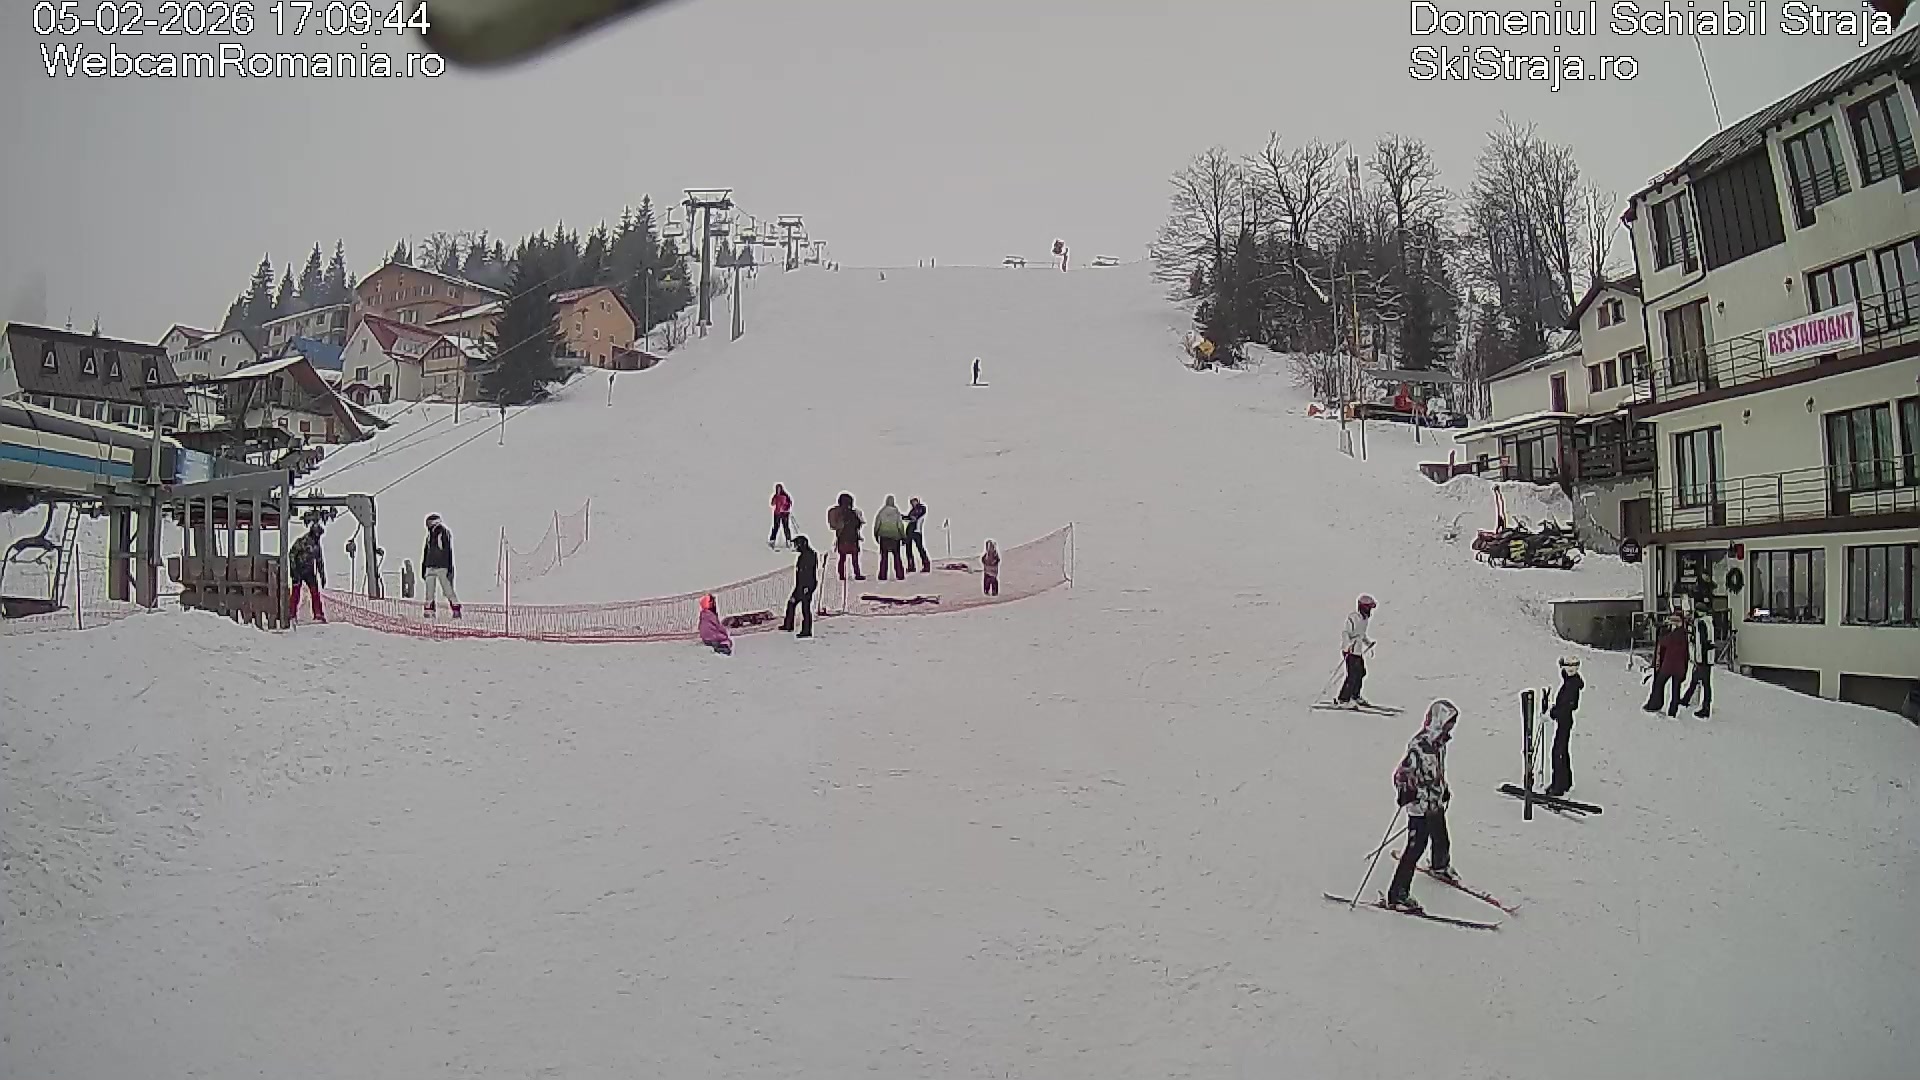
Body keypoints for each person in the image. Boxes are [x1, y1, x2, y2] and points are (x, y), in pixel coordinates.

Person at [1387, 699, 1461, 914]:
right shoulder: (1419, 746)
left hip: (1433, 801)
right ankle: (1397, 894)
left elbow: (1436, 771)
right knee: (1416, 846)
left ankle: (1440, 866)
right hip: (1419, 804)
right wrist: (1405, 791)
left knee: (1441, 836)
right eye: (1448, 723)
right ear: (1438, 721)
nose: (1450, 728)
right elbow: (1401, 774)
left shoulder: (1439, 744)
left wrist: (1443, 788)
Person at [1547, 656, 1583, 797]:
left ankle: (1558, 786)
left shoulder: (1572, 686)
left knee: (1558, 753)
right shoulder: (1571, 681)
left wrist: (1553, 713)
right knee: (1562, 751)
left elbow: (1568, 706)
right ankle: (1566, 782)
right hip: (1564, 720)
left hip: (1565, 720)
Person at [1334, 594, 1377, 708]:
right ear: (1363, 607)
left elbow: (1361, 635)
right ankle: (1343, 699)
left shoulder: (1365, 620)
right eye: (1369, 608)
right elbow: (1345, 633)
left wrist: (1368, 643)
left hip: (1357, 651)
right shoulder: (1353, 618)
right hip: (1349, 651)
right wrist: (1347, 646)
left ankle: (1355, 696)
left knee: (1361, 672)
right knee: (1352, 675)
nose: (1370, 611)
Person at [1644, 611, 1689, 717]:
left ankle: (1655, 704)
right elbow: (1686, 654)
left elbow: (1663, 641)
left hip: (1669, 665)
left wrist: (1664, 630)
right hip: (1679, 667)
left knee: (1659, 683)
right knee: (1676, 690)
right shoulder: (1684, 634)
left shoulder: (1674, 634)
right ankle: (1673, 712)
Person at [1679, 601, 1715, 719]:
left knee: (1705, 683)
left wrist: (1699, 657)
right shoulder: (1708, 622)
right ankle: (1686, 699)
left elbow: (1702, 642)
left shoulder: (1701, 623)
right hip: (1706, 657)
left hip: (1702, 658)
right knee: (1696, 680)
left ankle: (1706, 708)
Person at [422, 513, 460, 619]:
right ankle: (429, 610)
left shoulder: (443, 532)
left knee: (447, 589)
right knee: (429, 590)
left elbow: (447, 551)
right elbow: (426, 551)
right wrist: (424, 566)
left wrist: (449, 567)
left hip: (441, 566)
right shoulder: (430, 534)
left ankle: (456, 609)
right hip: (430, 565)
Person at [287, 521, 327, 624]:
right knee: (296, 593)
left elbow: (319, 561)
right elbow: (292, 554)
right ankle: (291, 614)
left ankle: (318, 614)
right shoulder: (302, 541)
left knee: (315, 592)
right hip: (298, 570)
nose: (318, 537)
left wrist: (322, 575)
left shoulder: (317, 546)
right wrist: (293, 570)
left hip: (309, 571)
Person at [781, 535, 818, 637]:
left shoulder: (810, 556)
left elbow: (809, 573)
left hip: (807, 586)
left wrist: (807, 587)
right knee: (791, 603)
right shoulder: (802, 555)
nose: (796, 547)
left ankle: (807, 631)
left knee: (805, 608)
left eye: (797, 544)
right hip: (800, 586)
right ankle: (788, 625)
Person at [828, 493, 864, 580]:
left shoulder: (838, 513)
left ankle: (841, 575)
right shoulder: (853, 513)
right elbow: (857, 525)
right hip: (853, 538)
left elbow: (835, 526)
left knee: (842, 557)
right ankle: (857, 574)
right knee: (854, 558)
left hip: (842, 538)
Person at [874, 495, 908, 580]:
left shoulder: (881, 512)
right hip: (895, 537)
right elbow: (900, 526)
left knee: (884, 557)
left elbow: (877, 524)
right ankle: (900, 575)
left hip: (884, 537)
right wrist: (903, 536)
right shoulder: (896, 512)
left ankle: (882, 575)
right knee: (897, 556)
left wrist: (876, 534)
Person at [904, 497, 931, 573]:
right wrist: (903, 517)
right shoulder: (912, 511)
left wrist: (911, 517)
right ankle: (911, 565)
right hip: (910, 530)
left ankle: (926, 564)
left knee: (920, 548)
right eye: (912, 502)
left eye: (914, 501)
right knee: (908, 548)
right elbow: (910, 518)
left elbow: (917, 517)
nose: (913, 503)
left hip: (916, 530)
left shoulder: (922, 508)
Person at [769, 484, 793, 548]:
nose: (778, 490)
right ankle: (772, 541)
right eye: (777, 489)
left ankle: (789, 541)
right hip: (777, 513)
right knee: (776, 527)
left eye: (779, 489)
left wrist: (785, 508)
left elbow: (789, 503)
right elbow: (772, 504)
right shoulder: (775, 496)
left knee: (786, 527)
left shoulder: (785, 496)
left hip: (784, 514)